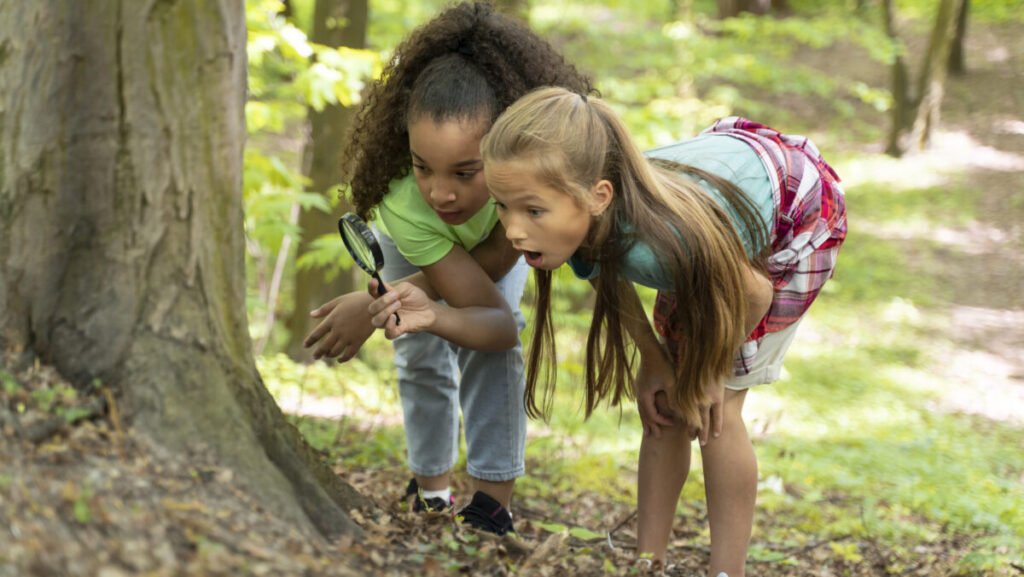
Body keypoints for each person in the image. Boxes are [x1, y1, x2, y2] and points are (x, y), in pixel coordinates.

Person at [479, 87, 846, 575]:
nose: (513, 230)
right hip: (720, 225)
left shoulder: (662, 242)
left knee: (718, 410)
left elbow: (753, 292)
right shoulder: (589, 214)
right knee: (668, 405)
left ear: (598, 197)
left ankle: (726, 570)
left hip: (797, 212)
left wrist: (714, 369)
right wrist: (654, 364)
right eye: (503, 207)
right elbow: (608, 276)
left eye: (532, 211)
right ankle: (646, 563)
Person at [301, 4, 594, 536]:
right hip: (418, 247)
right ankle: (431, 487)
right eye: (422, 166)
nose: (441, 191)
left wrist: (371, 308)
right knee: (417, 351)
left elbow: (481, 292)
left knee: (492, 346)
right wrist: (388, 309)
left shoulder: (525, 187)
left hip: (492, 241)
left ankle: (491, 501)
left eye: (464, 171)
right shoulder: (405, 203)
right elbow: (444, 286)